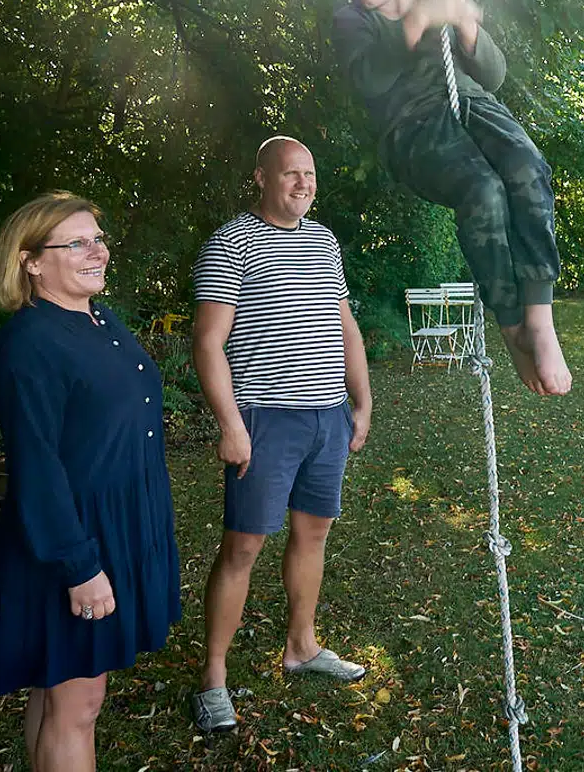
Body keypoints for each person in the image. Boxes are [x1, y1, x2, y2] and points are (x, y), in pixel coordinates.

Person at [321, 0, 572, 397]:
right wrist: (419, 20)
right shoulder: (353, 22)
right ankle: (511, 326)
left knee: (526, 166)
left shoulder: (432, 9)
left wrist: (464, 24)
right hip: (414, 131)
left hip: (473, 105)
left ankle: (539, 316)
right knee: (483, 192)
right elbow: (370, 80)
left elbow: (493, 76)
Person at [0, 191, 181, 772]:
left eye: (99, 238)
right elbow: (36, 466)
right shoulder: (30, 345)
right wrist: (79, 565)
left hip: (119, 523)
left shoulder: (98, 318)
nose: (98, 251)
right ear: (31, 261)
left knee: (57, 686)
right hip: (71, 536)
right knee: (79, 701)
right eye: (78, 242)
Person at [189, 136, 374, 733]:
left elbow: (345, 324)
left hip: (327, 418)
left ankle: (301, 646)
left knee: (312, 535)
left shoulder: (324, 240)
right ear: (262, 176)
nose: (303, 184)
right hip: (265, 419)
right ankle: (213, 678)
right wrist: (231, 425)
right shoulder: (231, 243)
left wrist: (362, 401)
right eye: (291, 173)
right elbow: (208, 343)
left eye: (310, 174)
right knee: (242, 547)